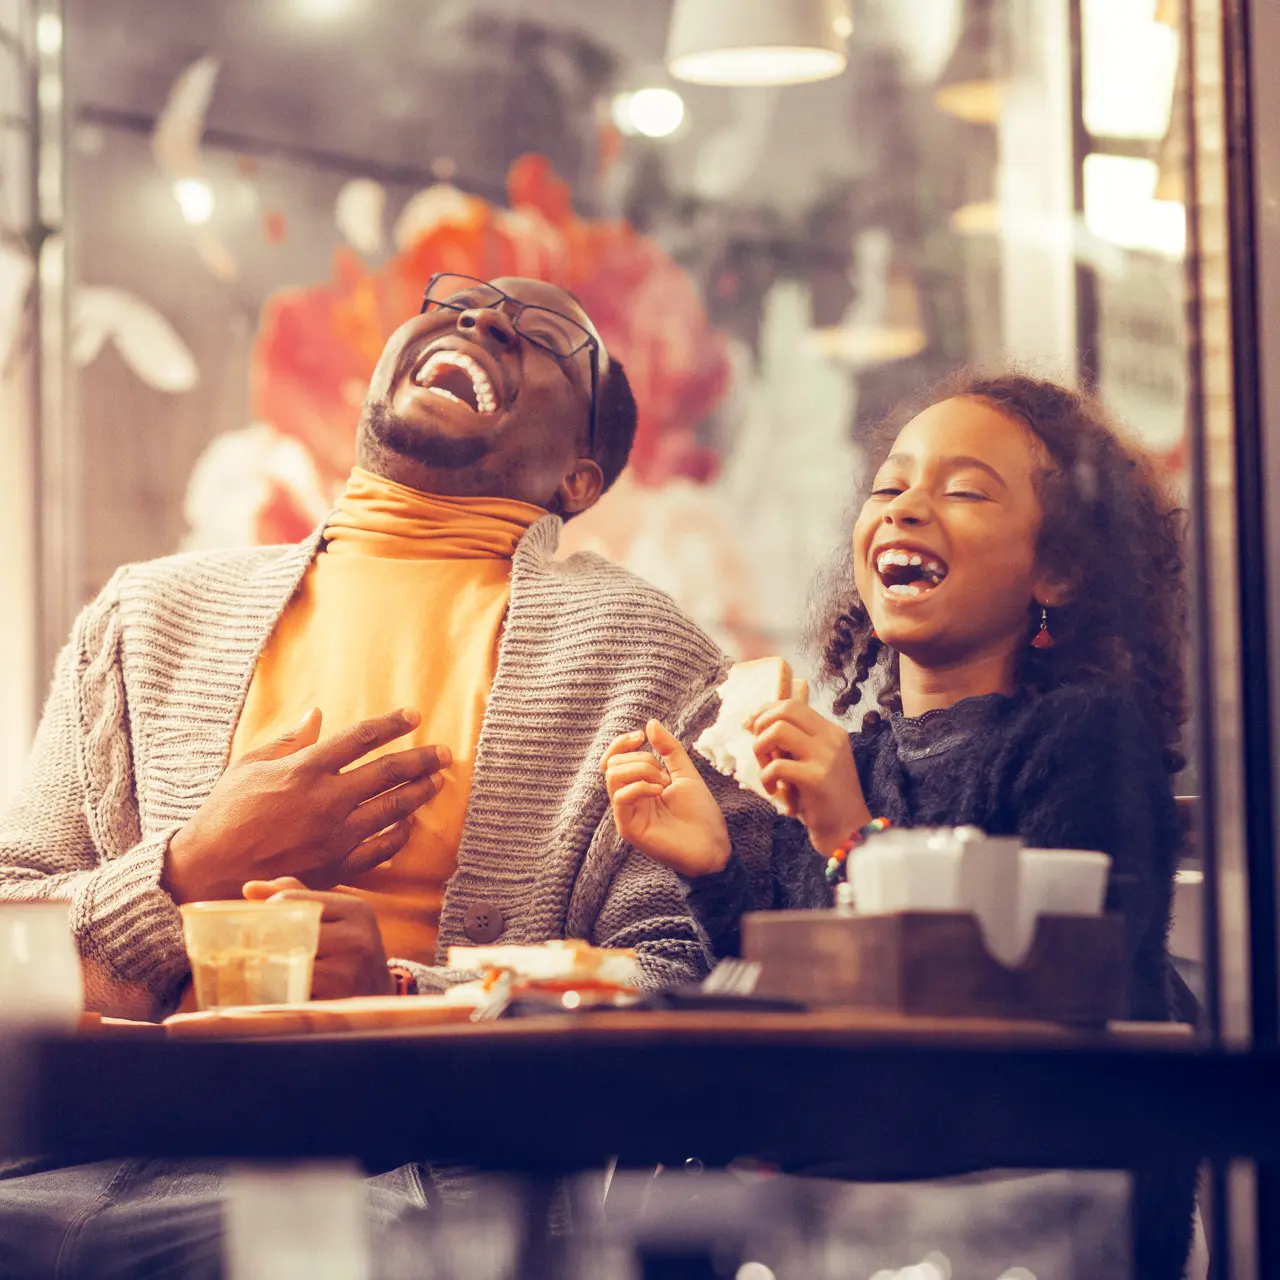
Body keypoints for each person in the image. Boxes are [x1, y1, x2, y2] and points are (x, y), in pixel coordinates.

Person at [0, 274, 777, 1276]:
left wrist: (401, 995)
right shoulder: (146, 615)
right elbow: (12, 929)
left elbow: (672, 975)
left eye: (543, 333)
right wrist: (189, 869)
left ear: (580, 479)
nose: (484, 318)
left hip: (423, 1172)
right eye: (456, 301)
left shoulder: (646, 656)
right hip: (89, 1149)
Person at [602, 372, 1195, 1277]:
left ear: (1060, 568)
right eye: (889, 485)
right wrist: (717, 868)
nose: (908, 507)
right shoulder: (863, 760)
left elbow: (1033, 1015)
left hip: (1018, 1218)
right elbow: (821, 1008)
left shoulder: (1085, 739)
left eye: (963, 491)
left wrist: (853, 836)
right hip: (859, 1210)